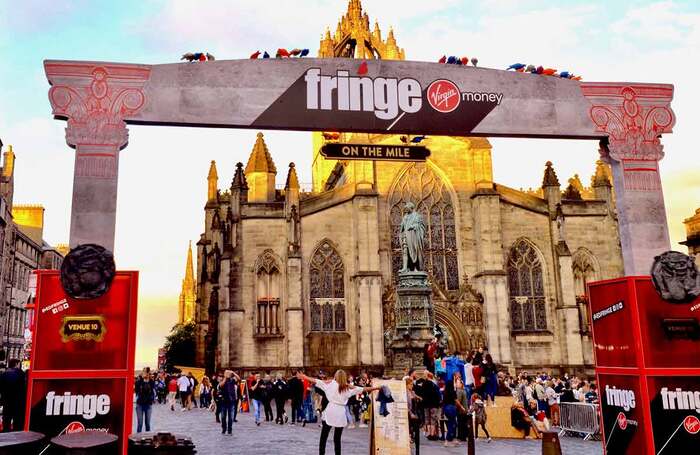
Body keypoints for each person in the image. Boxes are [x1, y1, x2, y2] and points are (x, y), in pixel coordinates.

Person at [296, 369, 379, 455]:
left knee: (324, 437)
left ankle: (321, 454)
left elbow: (316, 381)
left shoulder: (330, 384)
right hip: (340, 412)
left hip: (330, 410)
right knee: (337, 439)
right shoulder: (347, 388)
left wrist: (304, 376)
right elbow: (363, 389)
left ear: (336, 376)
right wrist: (376, 388)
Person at [0, 359, 25, 432]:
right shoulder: (21, 373)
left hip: (6, 400)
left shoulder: (3, 374)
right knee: (18, 422)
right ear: (16, 364)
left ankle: (6, 433)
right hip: (18, 401)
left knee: (6, 419)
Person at [134, 367, 155, 432]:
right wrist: (141, 378)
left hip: (148, 405)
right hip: (139, 405)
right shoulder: (139, 382)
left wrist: (149, 379)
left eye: (147, 372)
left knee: (147, 424)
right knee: (140, 424)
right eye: (144, 371)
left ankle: (147, 438)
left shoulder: (151, 382)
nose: (145, 373)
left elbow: (152, 390)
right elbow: (136, 390)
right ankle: (137, 439)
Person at [219, 370, 239, 435]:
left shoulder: (232, 380)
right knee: (223, 417)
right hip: (223, 401)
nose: (228, 374)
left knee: (231, 417)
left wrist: (233, 373)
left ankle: (230, 430)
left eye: (229, 373)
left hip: (231, 401)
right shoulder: (222, 380)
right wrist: (225, 377)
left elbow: (239, 379)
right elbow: (221, 385)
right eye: (227, 373)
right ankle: (224, 429)